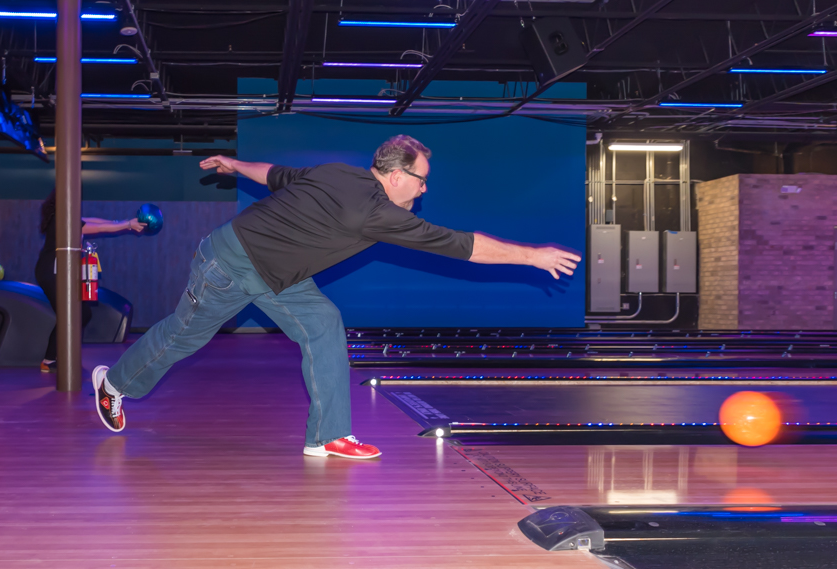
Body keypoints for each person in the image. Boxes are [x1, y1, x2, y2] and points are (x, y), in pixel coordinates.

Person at [91, 135, 581, 460]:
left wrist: (234, 163)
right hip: (230, 264)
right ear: (395, 177)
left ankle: (328, 435)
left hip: (279, 275)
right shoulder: (378, 213)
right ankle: (113, 384)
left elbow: (275, 173)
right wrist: (531, 255)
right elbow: (462, 245)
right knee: (183, 338)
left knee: (323, 323)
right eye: (420, 179)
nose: (424, 187)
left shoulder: (338, 171)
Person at [35, 189, 146, 372]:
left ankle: (56, 356)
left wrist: (125, 223)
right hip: (51, 271)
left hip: (60, 272)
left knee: (81, 313)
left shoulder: (65, 217)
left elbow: (95, 221)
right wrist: (127, 224)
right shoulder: (60, 219)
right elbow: (96, 227)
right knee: (71, 314)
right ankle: (49, 360)